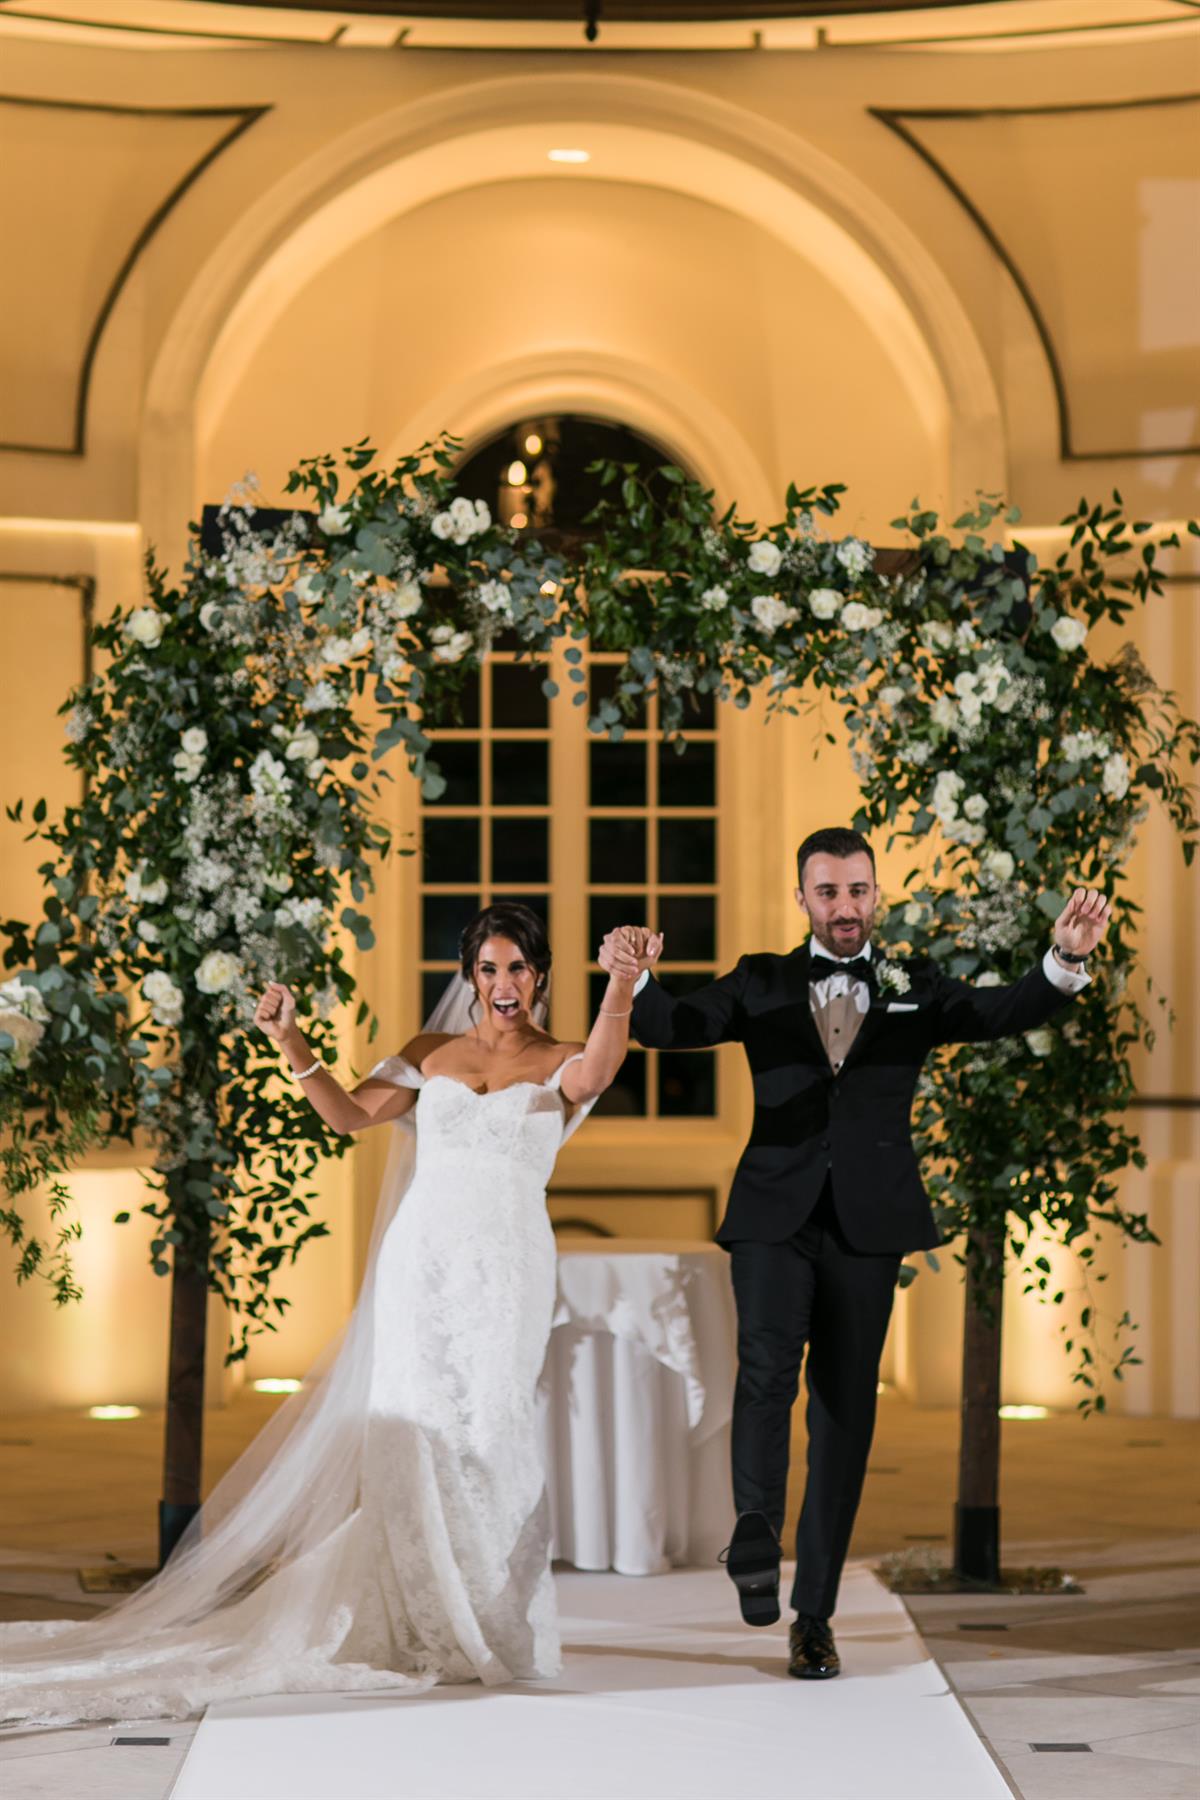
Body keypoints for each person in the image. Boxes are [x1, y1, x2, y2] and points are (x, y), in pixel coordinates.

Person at [1, 902, 635, 1726]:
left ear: (540, 975)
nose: (503, 983)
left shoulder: (561, 1059)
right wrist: (290, 1040)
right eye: (488, 968)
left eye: (517, 968)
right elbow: (347, 1115)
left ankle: (488, 1614)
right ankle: (419, 1611)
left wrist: (622, 983)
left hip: (506, 1271)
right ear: (470, 976)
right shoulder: (428, 1053)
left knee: (490, 1430)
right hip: (420, 1266)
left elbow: (599, 1073)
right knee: (412, 1428)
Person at [600, 826, 1110, 1681]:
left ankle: (814, 1616)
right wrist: (634, 977)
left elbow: (1000, 1012)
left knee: (844, 1411)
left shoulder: (916, 983)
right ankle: (756, 1534)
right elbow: (669, 1026)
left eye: (858, 890)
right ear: (802, 897)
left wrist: (1064, 960)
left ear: (878, 894)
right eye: (828, 891)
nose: (845, 906)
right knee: (766, 1372)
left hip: (869, 1225)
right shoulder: (760, 978)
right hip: (773, 1214)